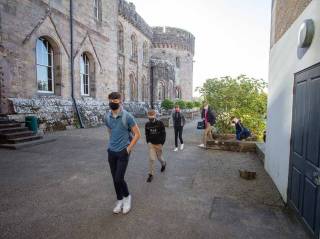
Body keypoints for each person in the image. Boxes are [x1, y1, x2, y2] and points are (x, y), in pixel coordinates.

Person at [105, 92, 141, 214]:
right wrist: (111, 145)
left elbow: (137, 134)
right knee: (114, 179)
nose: (112, 103)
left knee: (119, 178)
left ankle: (127, 197)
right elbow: (110, 131)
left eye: (115, 101)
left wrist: (128, 149)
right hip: (111, 152)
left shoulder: (127, 116)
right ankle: (119, 200)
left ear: (120, 102)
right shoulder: (107, 116)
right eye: (110, 101)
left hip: (123, 152)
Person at [145, 110, 166, 183]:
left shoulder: (160, 124)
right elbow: (146, 134)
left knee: (159, 158)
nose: (150, 119)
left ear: (155, 116)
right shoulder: (147, 124)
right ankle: (151, 175)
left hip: (159, 144)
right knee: (152, 159)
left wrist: (161, 143)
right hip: (151, 144)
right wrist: (148, 142)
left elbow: (164, 134)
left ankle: (163, 164)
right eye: (149, 117)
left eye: (152, 117)